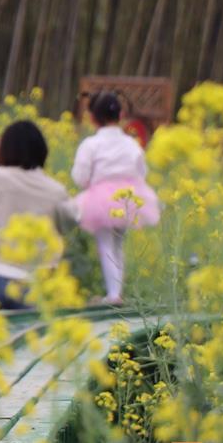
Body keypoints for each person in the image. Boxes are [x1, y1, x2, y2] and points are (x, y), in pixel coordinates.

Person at [0, 120, 80, 309]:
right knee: (29, 337)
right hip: (32, 277)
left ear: (6, 149)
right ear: (42, 151)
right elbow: (71, 220)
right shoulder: (56, 190)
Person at [71, 91, 161, 304]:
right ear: (120, 115)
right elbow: (142, 172)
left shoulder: (91, 144)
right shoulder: (131, 144)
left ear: (93, 117)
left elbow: (80, 176)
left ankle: (113, 295)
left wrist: (89, 186)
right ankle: (116, 291)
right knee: (118, 243)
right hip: (129, 195)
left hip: (100, 197)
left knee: (105, 243)